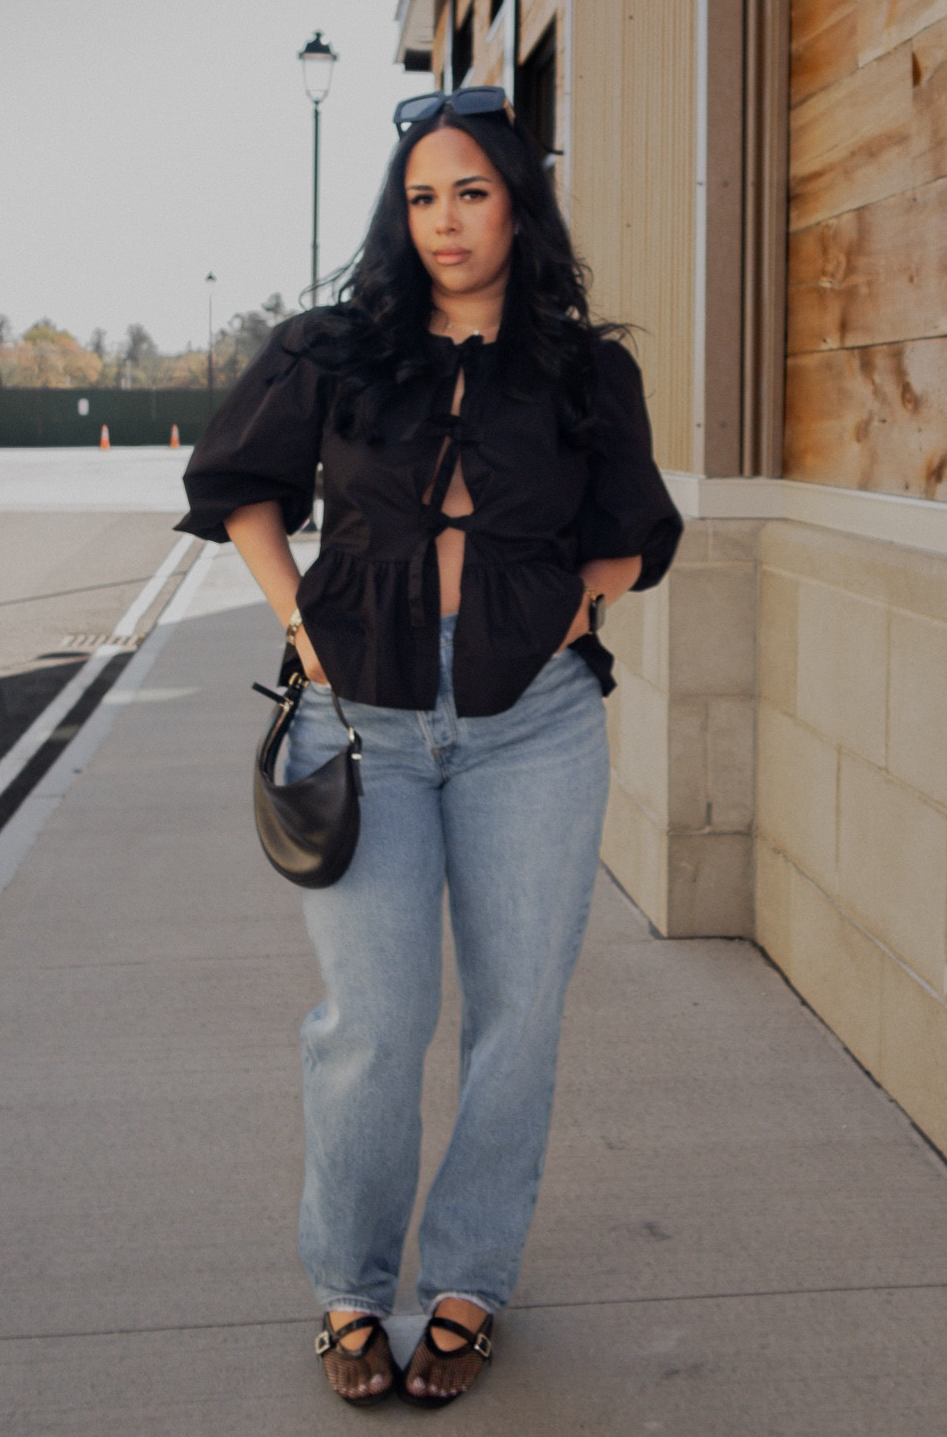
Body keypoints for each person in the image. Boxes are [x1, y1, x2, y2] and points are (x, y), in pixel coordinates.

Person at [179, 87, 681, 1409]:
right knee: (376, 1024)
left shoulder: (585, 370)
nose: (445, 220)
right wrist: (303, 621)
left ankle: (466, 1284)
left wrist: (577, 608)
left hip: (537, 727)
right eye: (421, 197)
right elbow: (239, 490)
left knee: (518, 1022)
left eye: (470, 191)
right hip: (370, 727)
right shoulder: (332, 349)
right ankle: (352, 1289)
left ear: (518, 200)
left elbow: (633, 525)